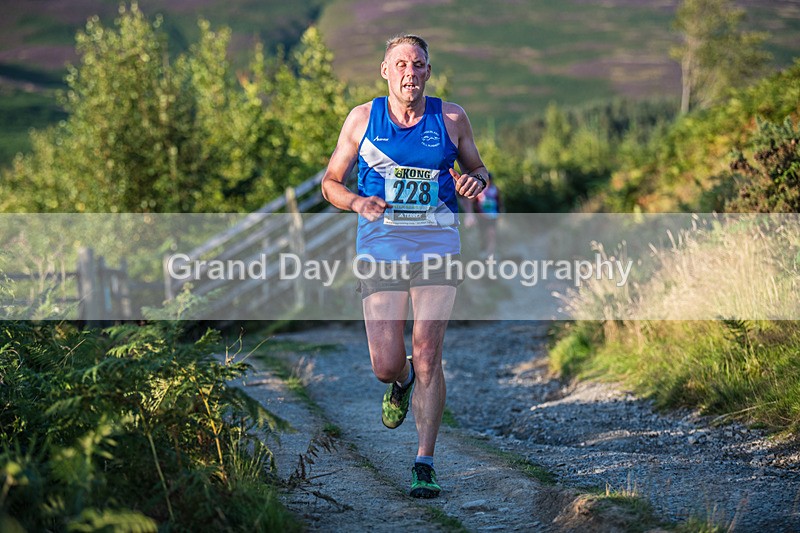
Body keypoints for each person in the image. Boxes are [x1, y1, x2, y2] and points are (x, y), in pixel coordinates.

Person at [321, 34, 488, 498]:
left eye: (417, 64)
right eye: (400, 64)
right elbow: (330, 183)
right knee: (385, 363)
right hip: (381, 247)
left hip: (437, 244)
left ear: (428, 72)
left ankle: (424, 462)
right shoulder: (361, 119)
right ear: (385, 70)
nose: (409, 72)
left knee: (430, 352)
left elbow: (479, 169)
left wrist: (475, 182)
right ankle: (400, 380)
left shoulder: (451, 118)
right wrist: (356, 201)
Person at [465, 172, 502, 258]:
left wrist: (500, 212)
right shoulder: (479, 190)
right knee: (482, 234)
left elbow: (499, 201)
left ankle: (491, 253)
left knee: (491, 233)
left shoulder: (495, 189)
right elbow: (473, 202)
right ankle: (483, 250)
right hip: (482, 216)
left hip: (493, 216)